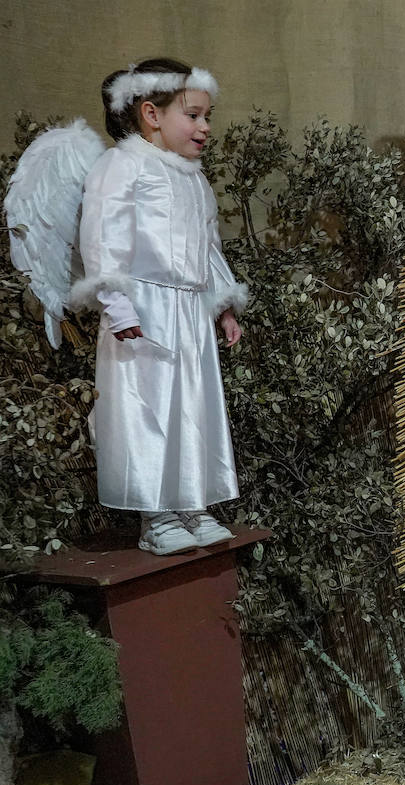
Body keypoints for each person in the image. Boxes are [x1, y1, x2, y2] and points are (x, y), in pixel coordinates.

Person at [76, 59, 247, 554]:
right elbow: (102, 237)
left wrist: (223, 305)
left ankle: (192, 503)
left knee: (191, 405)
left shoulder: (194, 178)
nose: (204, 126)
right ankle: (158, 515)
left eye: (206, 116)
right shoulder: (122, 165)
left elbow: (207, 247)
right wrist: (117, 305)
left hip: (190, 312)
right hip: (143, 309)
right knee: (146, 405)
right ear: (151, 113)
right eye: (193, 115)